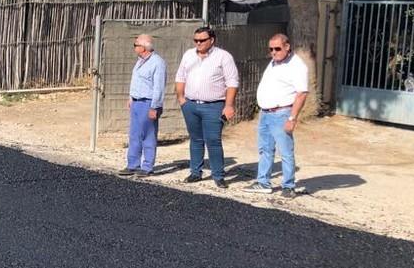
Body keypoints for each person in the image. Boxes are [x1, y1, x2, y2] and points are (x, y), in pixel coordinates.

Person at [243, 33, 309, 199]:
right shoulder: (274, 62)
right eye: (271, 49)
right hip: (266, 113)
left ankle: (288, 185)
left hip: (281, 113)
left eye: (277, 49)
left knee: (285, 151)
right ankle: (263, 182)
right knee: (265, 149)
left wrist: (292, 118)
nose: (273, 52)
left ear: (287, 47)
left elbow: (302, 93)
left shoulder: (297, 66)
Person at [174, 26, 239, 188]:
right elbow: (180, 76)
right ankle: (195, 172)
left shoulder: (223, 57)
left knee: (213, 140)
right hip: (191, 105)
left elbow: (232, 82)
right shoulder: (188, 55)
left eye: (202, 40)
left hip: (214, 106)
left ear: (212, 40)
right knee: (195, 139)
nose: (198, 43)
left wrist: (229, 105)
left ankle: (218, 175)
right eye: (196, 40)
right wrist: (181, 99)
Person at [119, 34, 167, 177]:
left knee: (148, 135)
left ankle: (147, 166)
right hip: (136, 102)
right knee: (134, 135)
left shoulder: (158, 63)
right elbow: (136, 81)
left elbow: (159, 87)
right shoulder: (139, 61)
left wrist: (155, 107)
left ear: (144, 47)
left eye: (136, 45)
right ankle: (132, 164)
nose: (134, 47)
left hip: (148, 103)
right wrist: (131, 97)